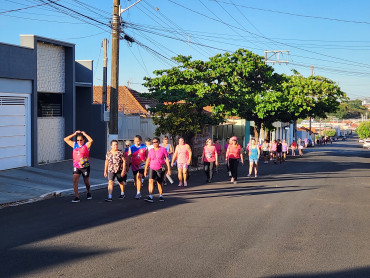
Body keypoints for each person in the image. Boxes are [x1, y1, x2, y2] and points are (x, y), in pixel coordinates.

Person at [63, 130, 93, 203]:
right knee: (75, 181)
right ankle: (77, 196)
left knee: (86, 181)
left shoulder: (86, 145)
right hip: (76, 166)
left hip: (85, 166)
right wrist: (74, 134)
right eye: (78, 140)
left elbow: (91, 140)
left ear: (83, 140)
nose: (79, 141)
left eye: (81, 140)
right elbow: (65, 139)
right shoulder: (74, 145)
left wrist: (84, 134)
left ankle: (88, 191)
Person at [144, 137, 171, 202]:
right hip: (152, 167)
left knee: (159, 182)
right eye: (153, 142)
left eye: (156, 142)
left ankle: (161, 195)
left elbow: (166, 159)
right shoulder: (151, 150)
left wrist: (169, 168)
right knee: (150, 181)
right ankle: (150, 196)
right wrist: (145, 169)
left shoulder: (163, 149)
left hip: (160, 168)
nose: (155, 143)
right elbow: (148, 160)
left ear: (159, 142)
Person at [128, 135, 147, 199]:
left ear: (141, 140)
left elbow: (147, 156)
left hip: (142, 164)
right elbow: (129, 157)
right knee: (135, 179)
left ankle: (138, 192)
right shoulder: (131, 147)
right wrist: (127, 166)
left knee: (139, 177)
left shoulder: (144, 147)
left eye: (138, 141)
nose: (137, 142)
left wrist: (147, 165)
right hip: (134, 165)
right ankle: (137, 188)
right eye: (135, 141)